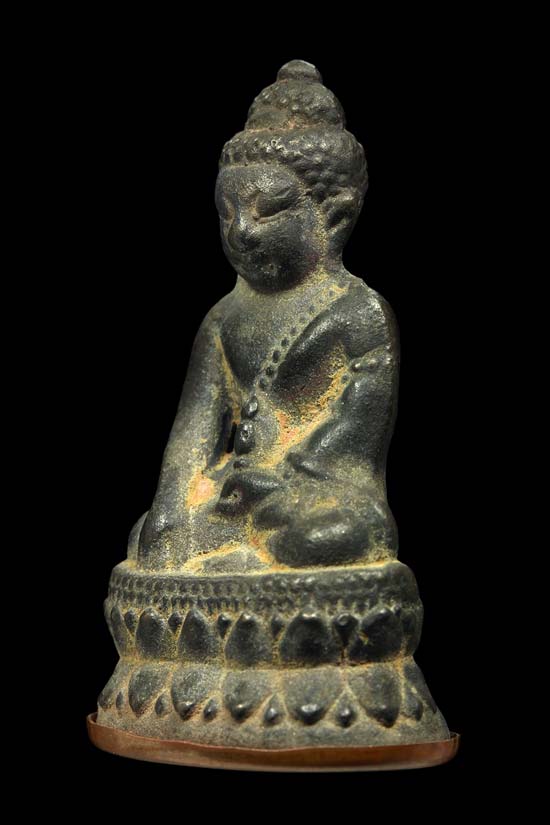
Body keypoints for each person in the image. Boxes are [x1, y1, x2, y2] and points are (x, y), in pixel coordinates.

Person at [133, 60, 399, 573]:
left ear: (335, 216)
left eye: (267, 211)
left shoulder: (359, 312)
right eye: (226, 213)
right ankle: (231, 551)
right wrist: (169, 509)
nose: (241, 231)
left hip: (309, 496)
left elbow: (356, 437)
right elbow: (192, 433)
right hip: (233, 492)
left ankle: (245, 554)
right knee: (150, 534)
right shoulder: (221, 319)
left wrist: (282, 482)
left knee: (336, 534)